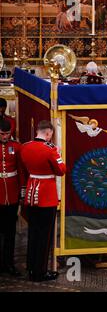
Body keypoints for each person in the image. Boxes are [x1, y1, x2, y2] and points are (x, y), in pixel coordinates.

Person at [21, 120, 66, 282]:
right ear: (48, 133)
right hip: (46, 195)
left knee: (33, 232)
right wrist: (58, 153)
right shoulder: (50, 149)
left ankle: (31, 267)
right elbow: (61, 171)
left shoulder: (25, 146)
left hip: (32, 191)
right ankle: (40, 272)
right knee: (44, 236)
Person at [0, 119, 25, 277]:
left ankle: (9, 263)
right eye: (2, 134)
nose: (5, 136)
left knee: (10, 231)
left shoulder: (16, 146)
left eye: (7, 134)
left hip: (12, 193)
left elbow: (21, 170)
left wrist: (22, 192)